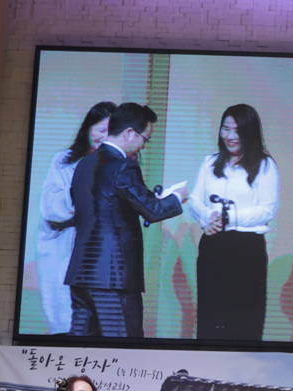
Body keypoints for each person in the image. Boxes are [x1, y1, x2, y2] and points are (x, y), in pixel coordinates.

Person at [66, 102, 187, 339]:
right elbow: (152, 211)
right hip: (113, 276)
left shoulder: (84, 163)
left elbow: (103, 207)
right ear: (130, 132)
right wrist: (177, 197)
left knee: (79, 346)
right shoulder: (123, 166)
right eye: (145, 138)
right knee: (123, 346)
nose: (144, 145)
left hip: (81, 274)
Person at [187, 103, 280, 341]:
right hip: (213, 243)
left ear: (250, 132)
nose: (230, 136)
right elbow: (195, 199)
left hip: (246, 248)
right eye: (226, 129)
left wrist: (230, 218)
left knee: (244, 317)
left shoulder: (265, 166)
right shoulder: (210, 162)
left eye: (237, 130)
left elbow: (267, 209)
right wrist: (208, 217)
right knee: (211, 314)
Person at [36, 100, 115, 335]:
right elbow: (51, 207)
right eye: (101, 130)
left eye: (111, 132)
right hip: (65, 245)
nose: (104, 137)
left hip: (99, 249)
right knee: (65, 318)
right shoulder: (64, 160)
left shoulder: (117, 165)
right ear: (88, 128)